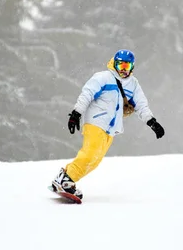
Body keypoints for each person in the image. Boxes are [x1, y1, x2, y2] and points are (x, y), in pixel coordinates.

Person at [50, 49, 165, 200]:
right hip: (95, 122)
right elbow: (87, 94)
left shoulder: (133, 85)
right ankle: (66, 179)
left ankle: (65, 178)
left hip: (111, 129)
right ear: (114, 64)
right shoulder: (103, 77)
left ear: (132, 67)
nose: (124, 70)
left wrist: (152, 122)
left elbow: (141, 105)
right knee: (90, 153)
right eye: (121, 65)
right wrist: (76, 113)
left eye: (127, 66)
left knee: (95, 160)